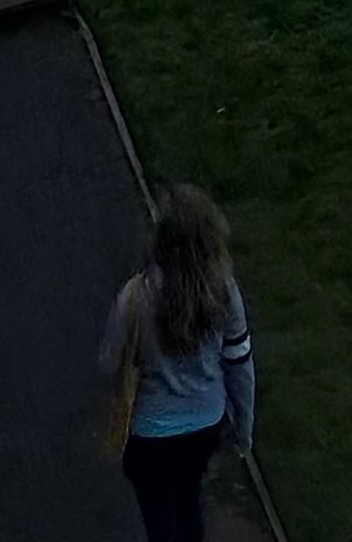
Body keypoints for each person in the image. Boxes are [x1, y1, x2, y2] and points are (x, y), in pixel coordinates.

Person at [98, 184, 255, 528]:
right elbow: (240, 364)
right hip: (205, 422)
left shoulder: (136, 295)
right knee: (189, 498)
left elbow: (108, 362)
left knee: (158, 515)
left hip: (150, 429)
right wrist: (243, 429)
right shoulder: (224, 291)